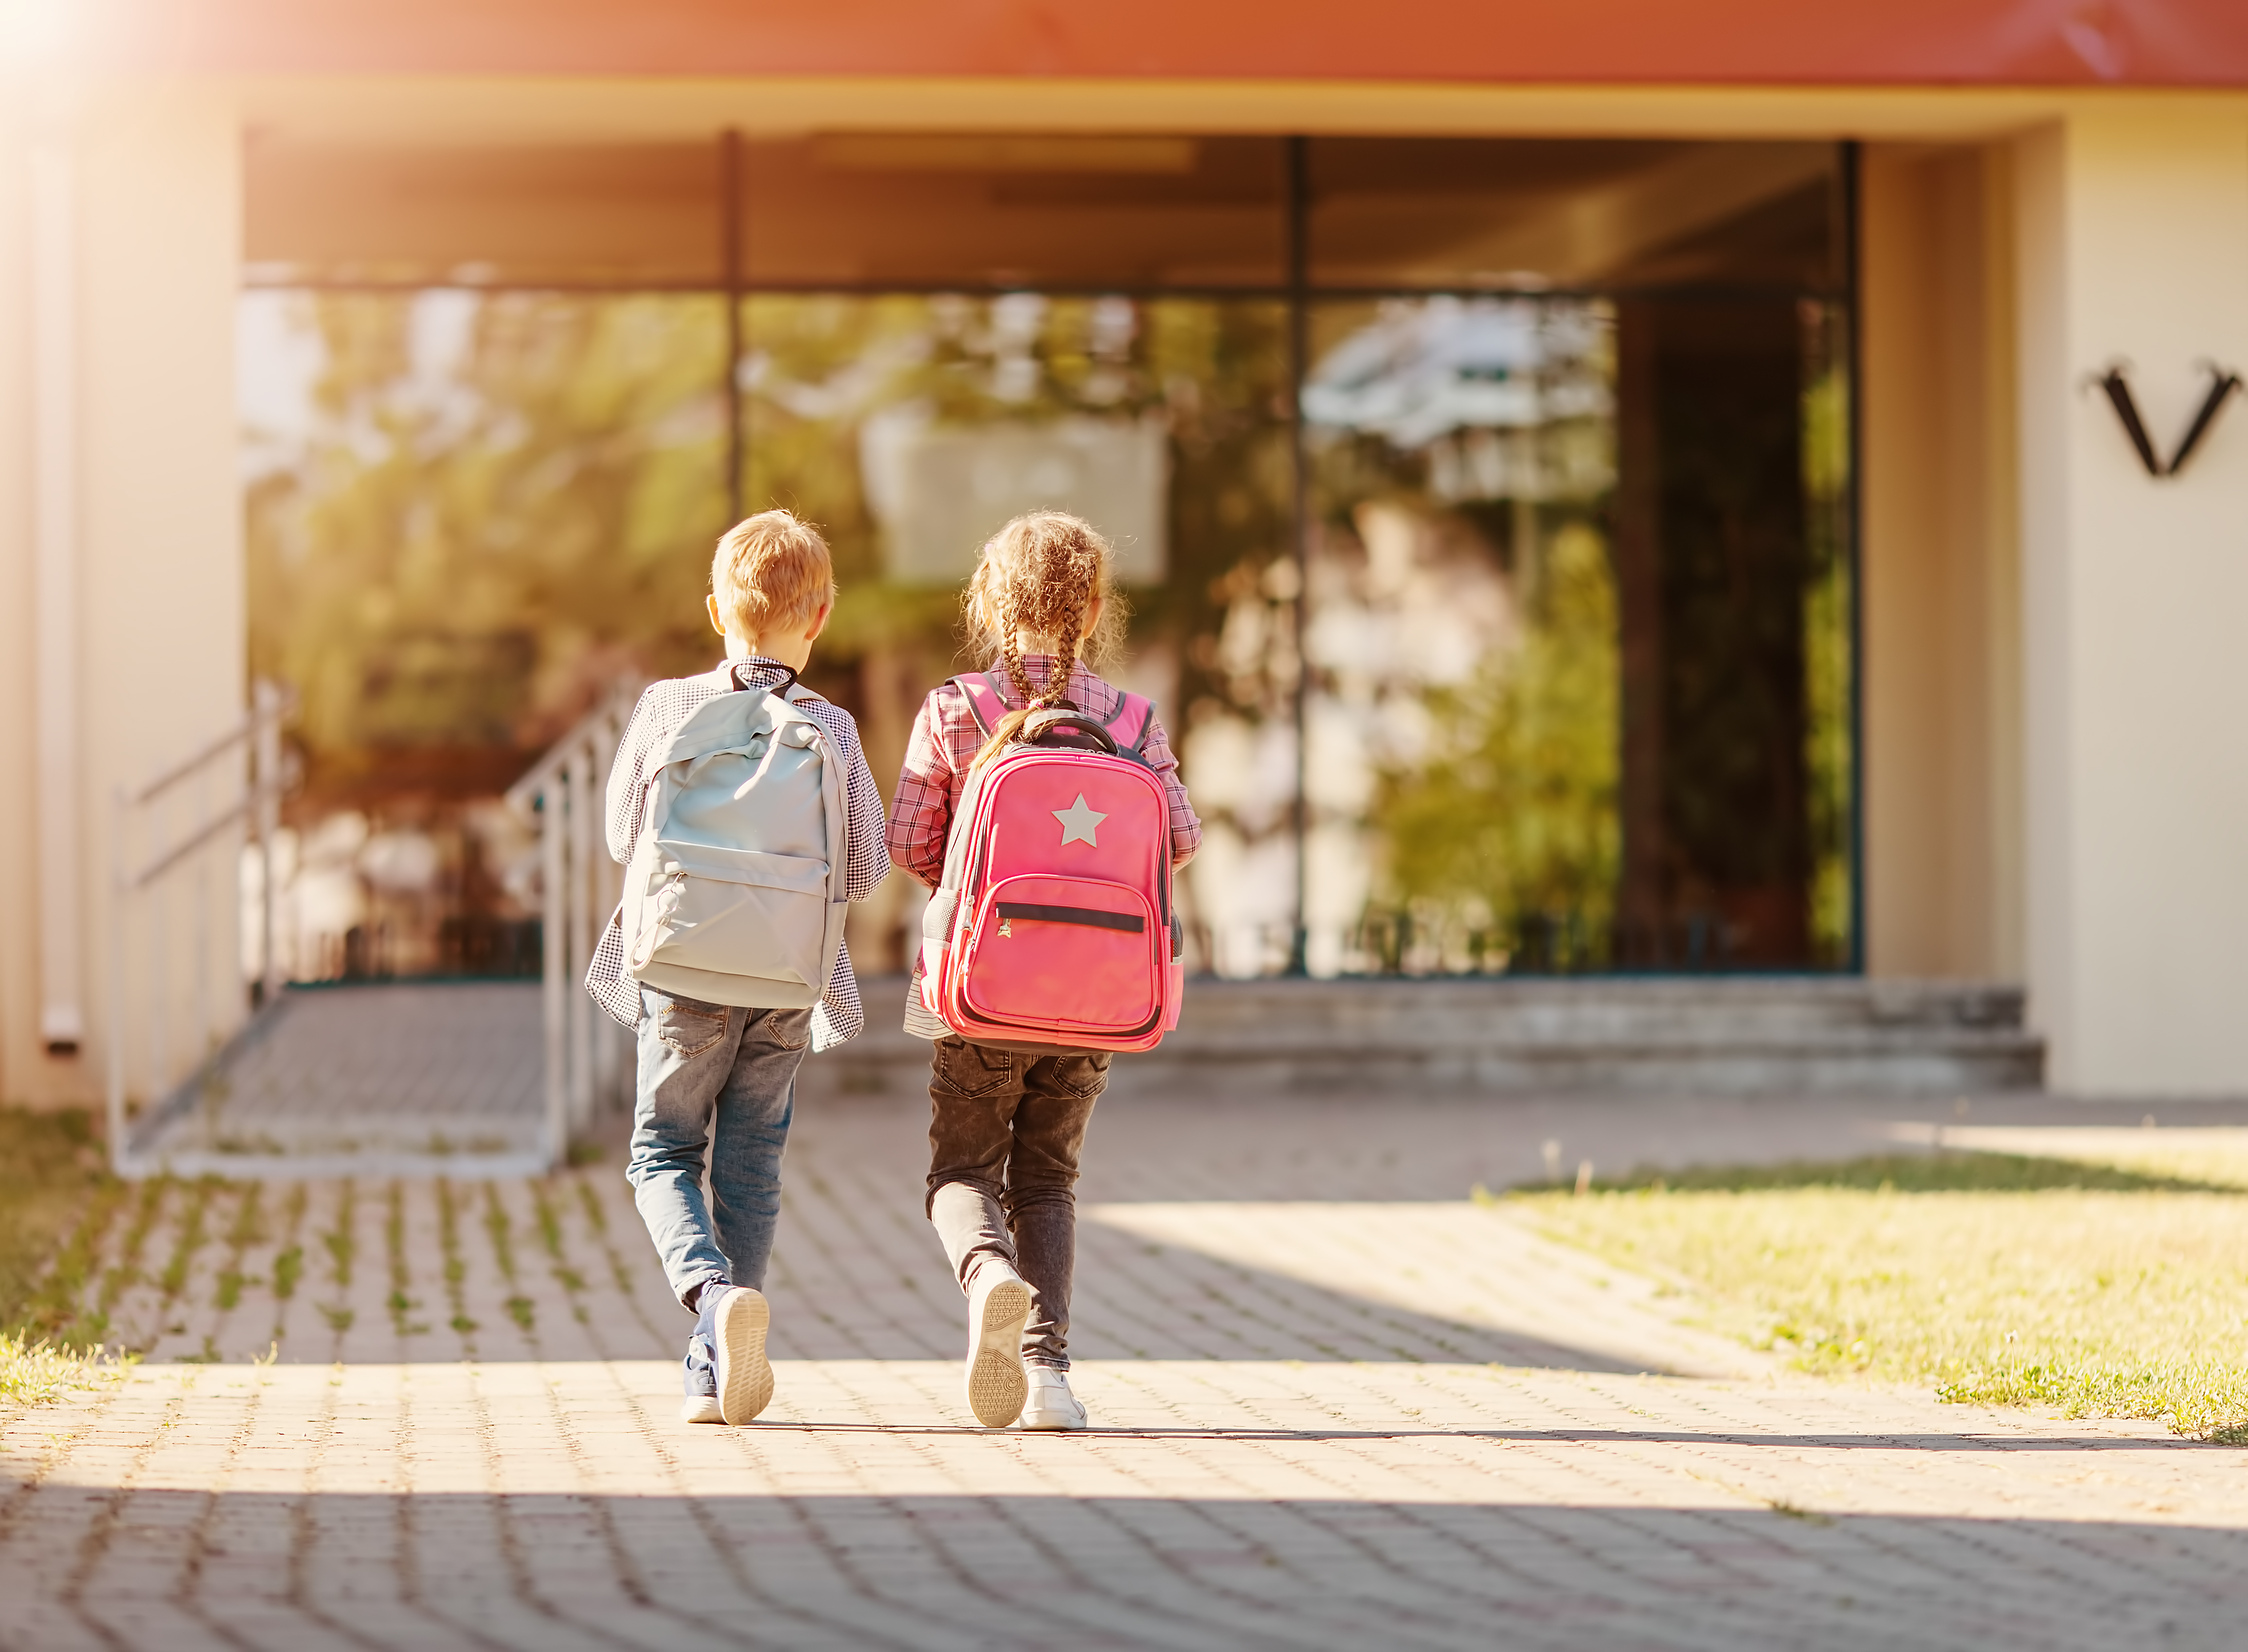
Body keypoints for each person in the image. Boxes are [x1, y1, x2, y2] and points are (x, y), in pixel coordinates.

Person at [888, 511, 1201, 1430]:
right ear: (1096, 606)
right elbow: (1179, 840)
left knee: (961, 1174)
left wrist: (980, 878)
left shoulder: (954, 708)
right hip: (1095, 997)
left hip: (978, 991)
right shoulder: (1132, 720)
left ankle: (988, 1277)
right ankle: (1050, 1380)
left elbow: (911, 840)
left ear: (986, 600)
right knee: (1048, 1183)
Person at [588, 510, 885, 1425]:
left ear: (717, 610)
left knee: (661, 1152)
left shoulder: (670, 708)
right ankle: (715, 1358)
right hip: (789, 980)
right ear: (822, 615)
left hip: (682, 969)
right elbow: (867, 864)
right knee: (751, 1166)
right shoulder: (830, 728)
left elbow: (619, 837)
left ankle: (712, 1306)